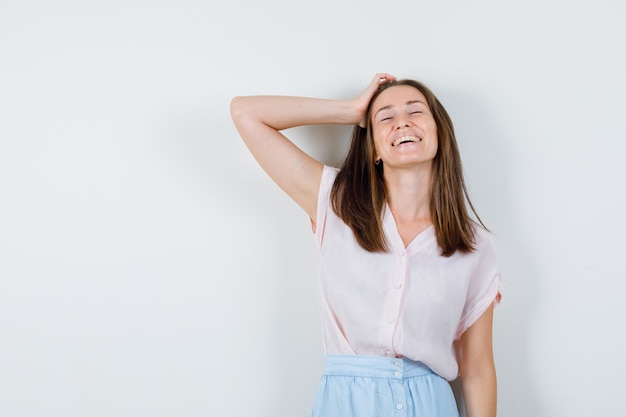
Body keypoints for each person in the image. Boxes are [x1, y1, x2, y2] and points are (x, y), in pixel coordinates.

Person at [230, 73, 502, 417]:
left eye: (415, 112)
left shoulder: (474, 244)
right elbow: (245, 113)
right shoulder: (334, 202)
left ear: (439, 133)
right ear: (373, 146)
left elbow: (477, 370)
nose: (402, 122)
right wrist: (351, 110)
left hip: (432, 404)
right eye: (385, 117)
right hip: (347, 403)